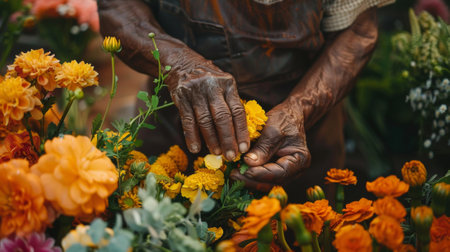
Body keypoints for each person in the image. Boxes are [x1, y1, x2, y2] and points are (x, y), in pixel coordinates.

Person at [98, 0, 393, 199]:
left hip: (302, 137)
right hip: (172, 130)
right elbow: (116, 6)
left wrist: (300, 110)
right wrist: (179, 65)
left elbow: (357, 29)